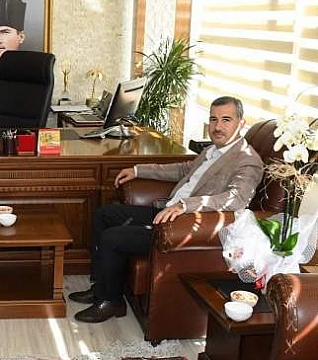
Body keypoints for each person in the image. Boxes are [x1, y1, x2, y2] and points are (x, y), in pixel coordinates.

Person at [70, 96, 264, 323]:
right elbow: (183, 170)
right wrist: (138, 170)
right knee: (104, 215)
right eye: (213, 119)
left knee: (112, 238)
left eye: (226, 120)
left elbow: (237, 199)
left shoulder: (247, 160)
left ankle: (111, 302)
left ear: (241, 123)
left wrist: (186, 205)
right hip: (167, 212)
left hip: (182, 225)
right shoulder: (214, 150)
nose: (217, 126)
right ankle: (100, 287)